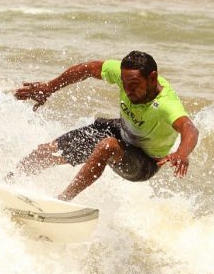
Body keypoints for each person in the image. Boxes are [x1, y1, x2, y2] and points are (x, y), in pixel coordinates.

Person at [11, 50, 199, 201]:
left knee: (107, 145)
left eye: (134, 84)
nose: (128, 90)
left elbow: (189, 128)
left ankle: (62, 202)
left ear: (152, 78)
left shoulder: (166, 104)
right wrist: (49, 88)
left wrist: (182, 153)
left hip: (145, 161)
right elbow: (88, 68)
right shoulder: (124, 74)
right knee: (49, 151)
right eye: (124, 83)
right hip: (122, 131)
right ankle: (9, 181)